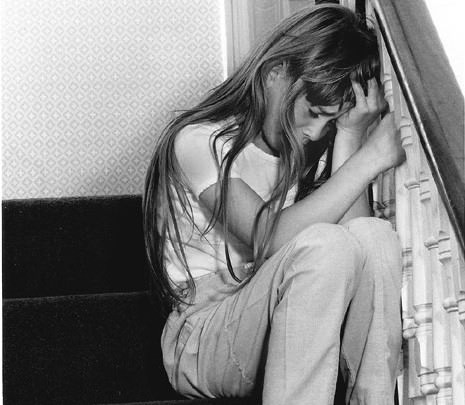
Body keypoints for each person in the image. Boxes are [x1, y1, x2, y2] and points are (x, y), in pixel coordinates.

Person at [143, 4, 405, 404]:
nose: (315, 132)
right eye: (313, 112)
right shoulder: (200, 141)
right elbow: (268, 237)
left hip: (279, 321)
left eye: (330, 122)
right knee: (324, 243)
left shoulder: (308, 148)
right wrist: (369, 161)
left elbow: (358, 244)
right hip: (201, 337)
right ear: (275, 73)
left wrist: (350, 137)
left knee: (374, 235)